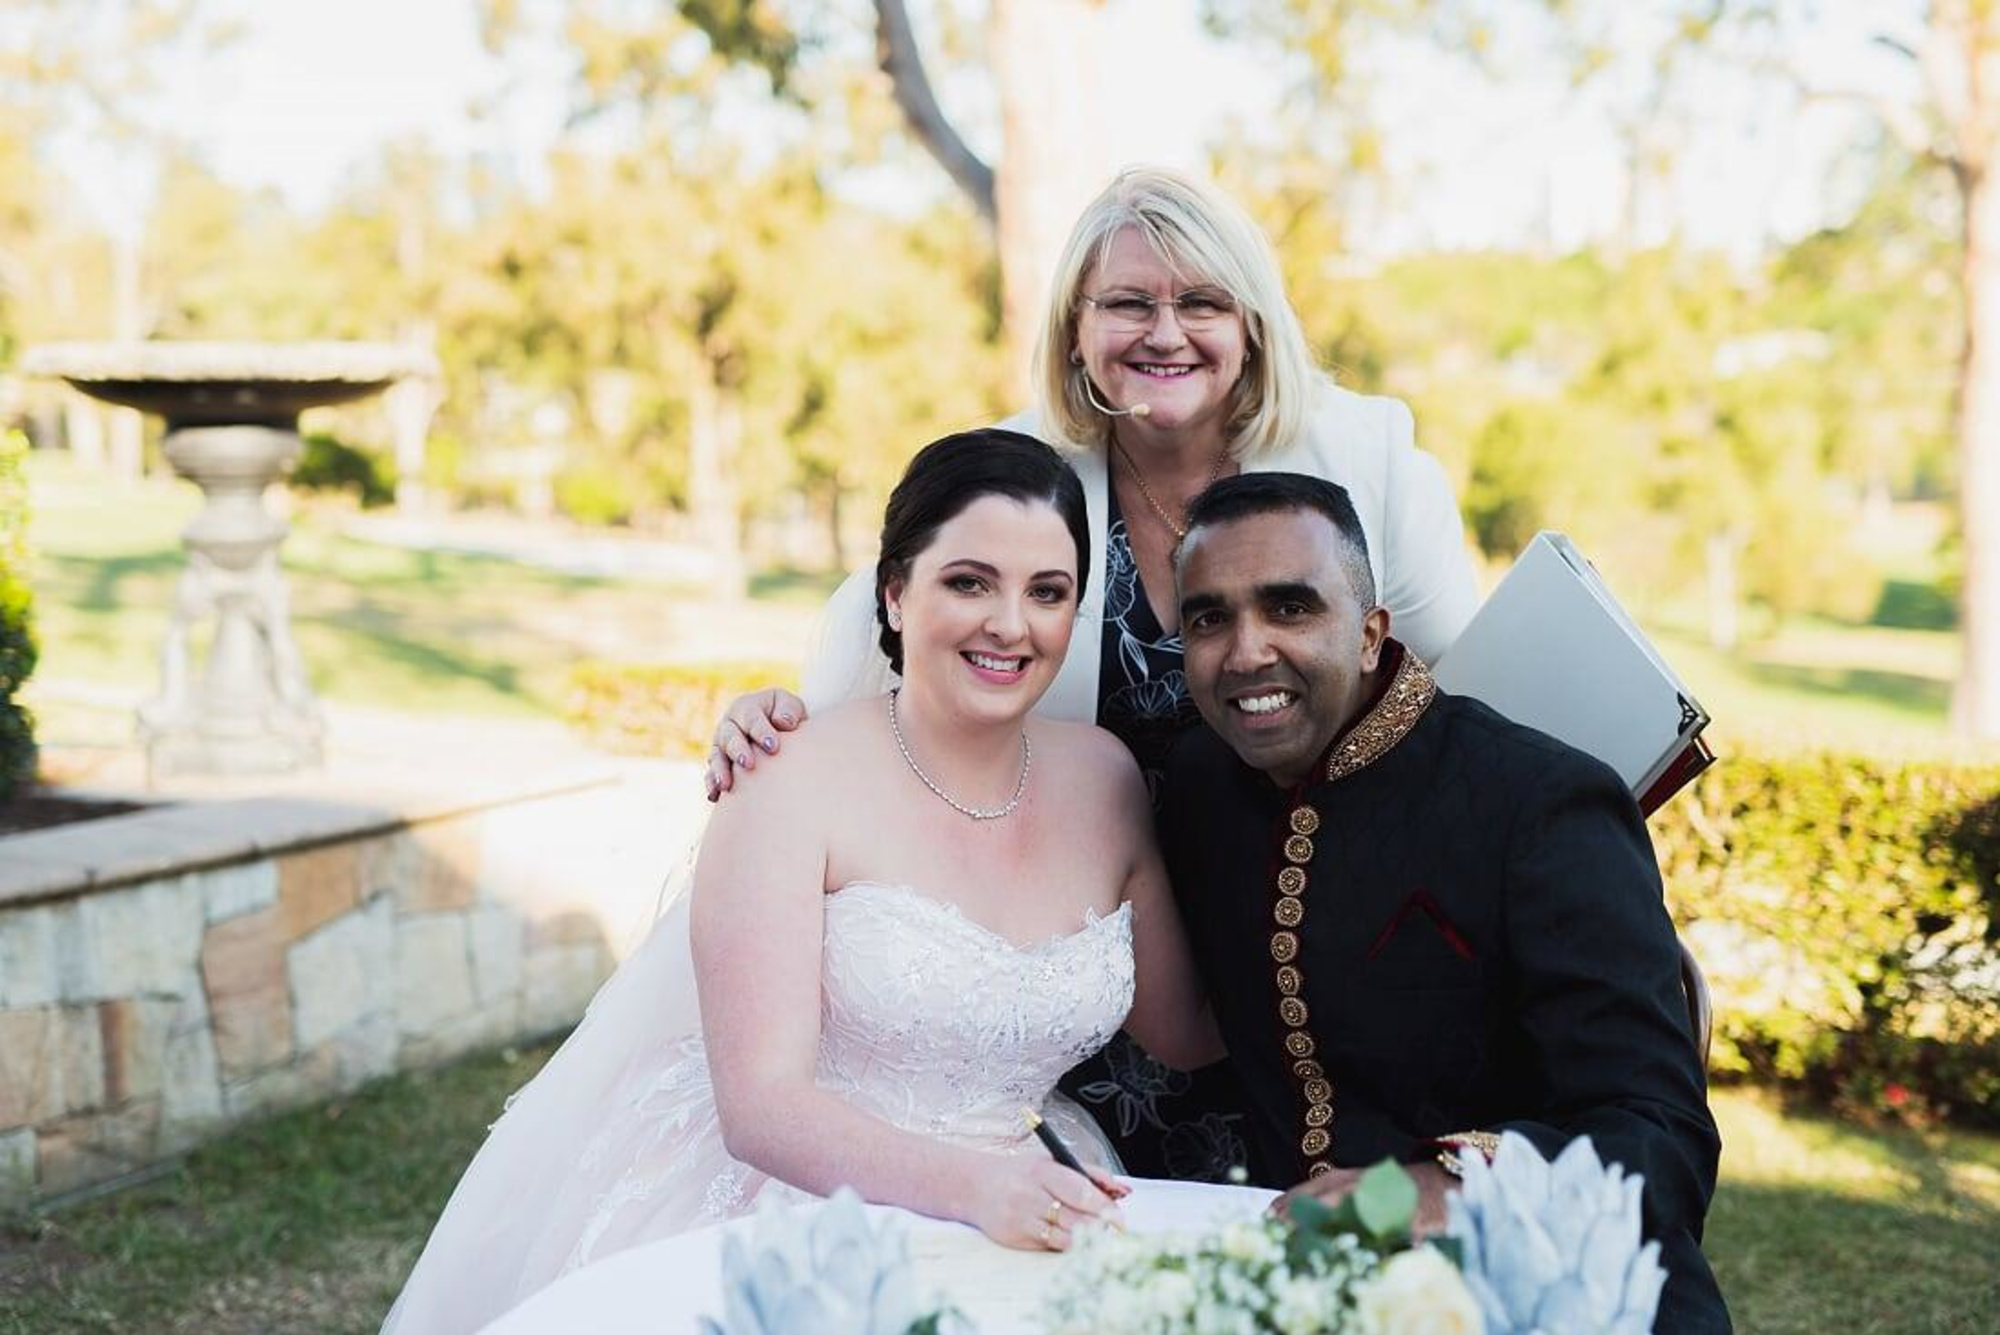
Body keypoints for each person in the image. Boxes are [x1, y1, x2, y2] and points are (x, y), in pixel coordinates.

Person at [705, 165, 1480, 1180]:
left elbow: (1475, 701)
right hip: (1072, 977)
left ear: (1249, 322)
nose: (1164, 333)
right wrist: (767, 717)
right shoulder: (1014, 470)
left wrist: (1580, 913)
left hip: (1301, 955)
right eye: (1126, 303)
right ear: (1075, 329)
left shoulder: (1365, 456)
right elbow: (882, 655)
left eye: (1199, 301)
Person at [381, 430, 1221, 1334]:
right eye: (969, 582)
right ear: (895, 594)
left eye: (1046, 592)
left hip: (1040, 1198)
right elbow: (762, 1106)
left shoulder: (1105, 777)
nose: (1010, 624)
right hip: (795, 1205)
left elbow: (1192, 1033)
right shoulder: (786, 772)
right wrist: (979, 1187)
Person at [1162, 472, 1731, 1333]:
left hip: (1545, 1294)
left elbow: (1659, 1137)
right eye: (1210, 617)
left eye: (1290, 608)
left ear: (1369, 634)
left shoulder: (1541, 800)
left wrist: (1428, 1187)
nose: (1246, 652)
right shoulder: (1200, 785)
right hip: (1300, 1293)